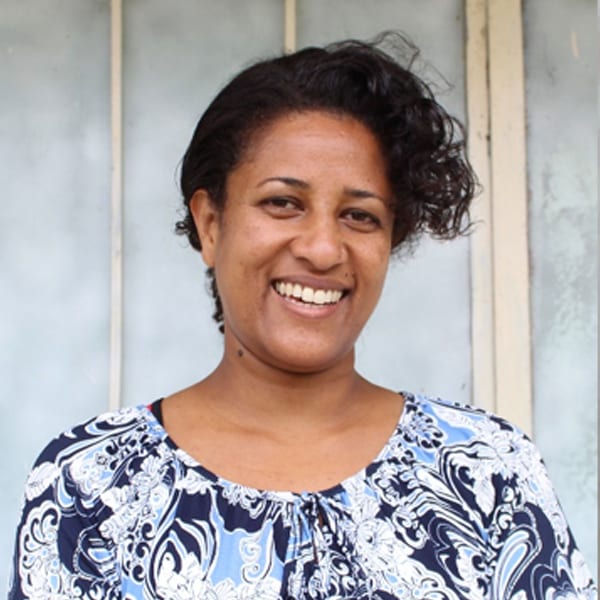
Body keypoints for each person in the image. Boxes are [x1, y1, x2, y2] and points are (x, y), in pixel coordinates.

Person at [9, 34, 596, 600]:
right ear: (210, 224)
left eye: (360, 215)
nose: (322, 249)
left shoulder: (486, 471)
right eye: (283, 203)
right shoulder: (92, 483)